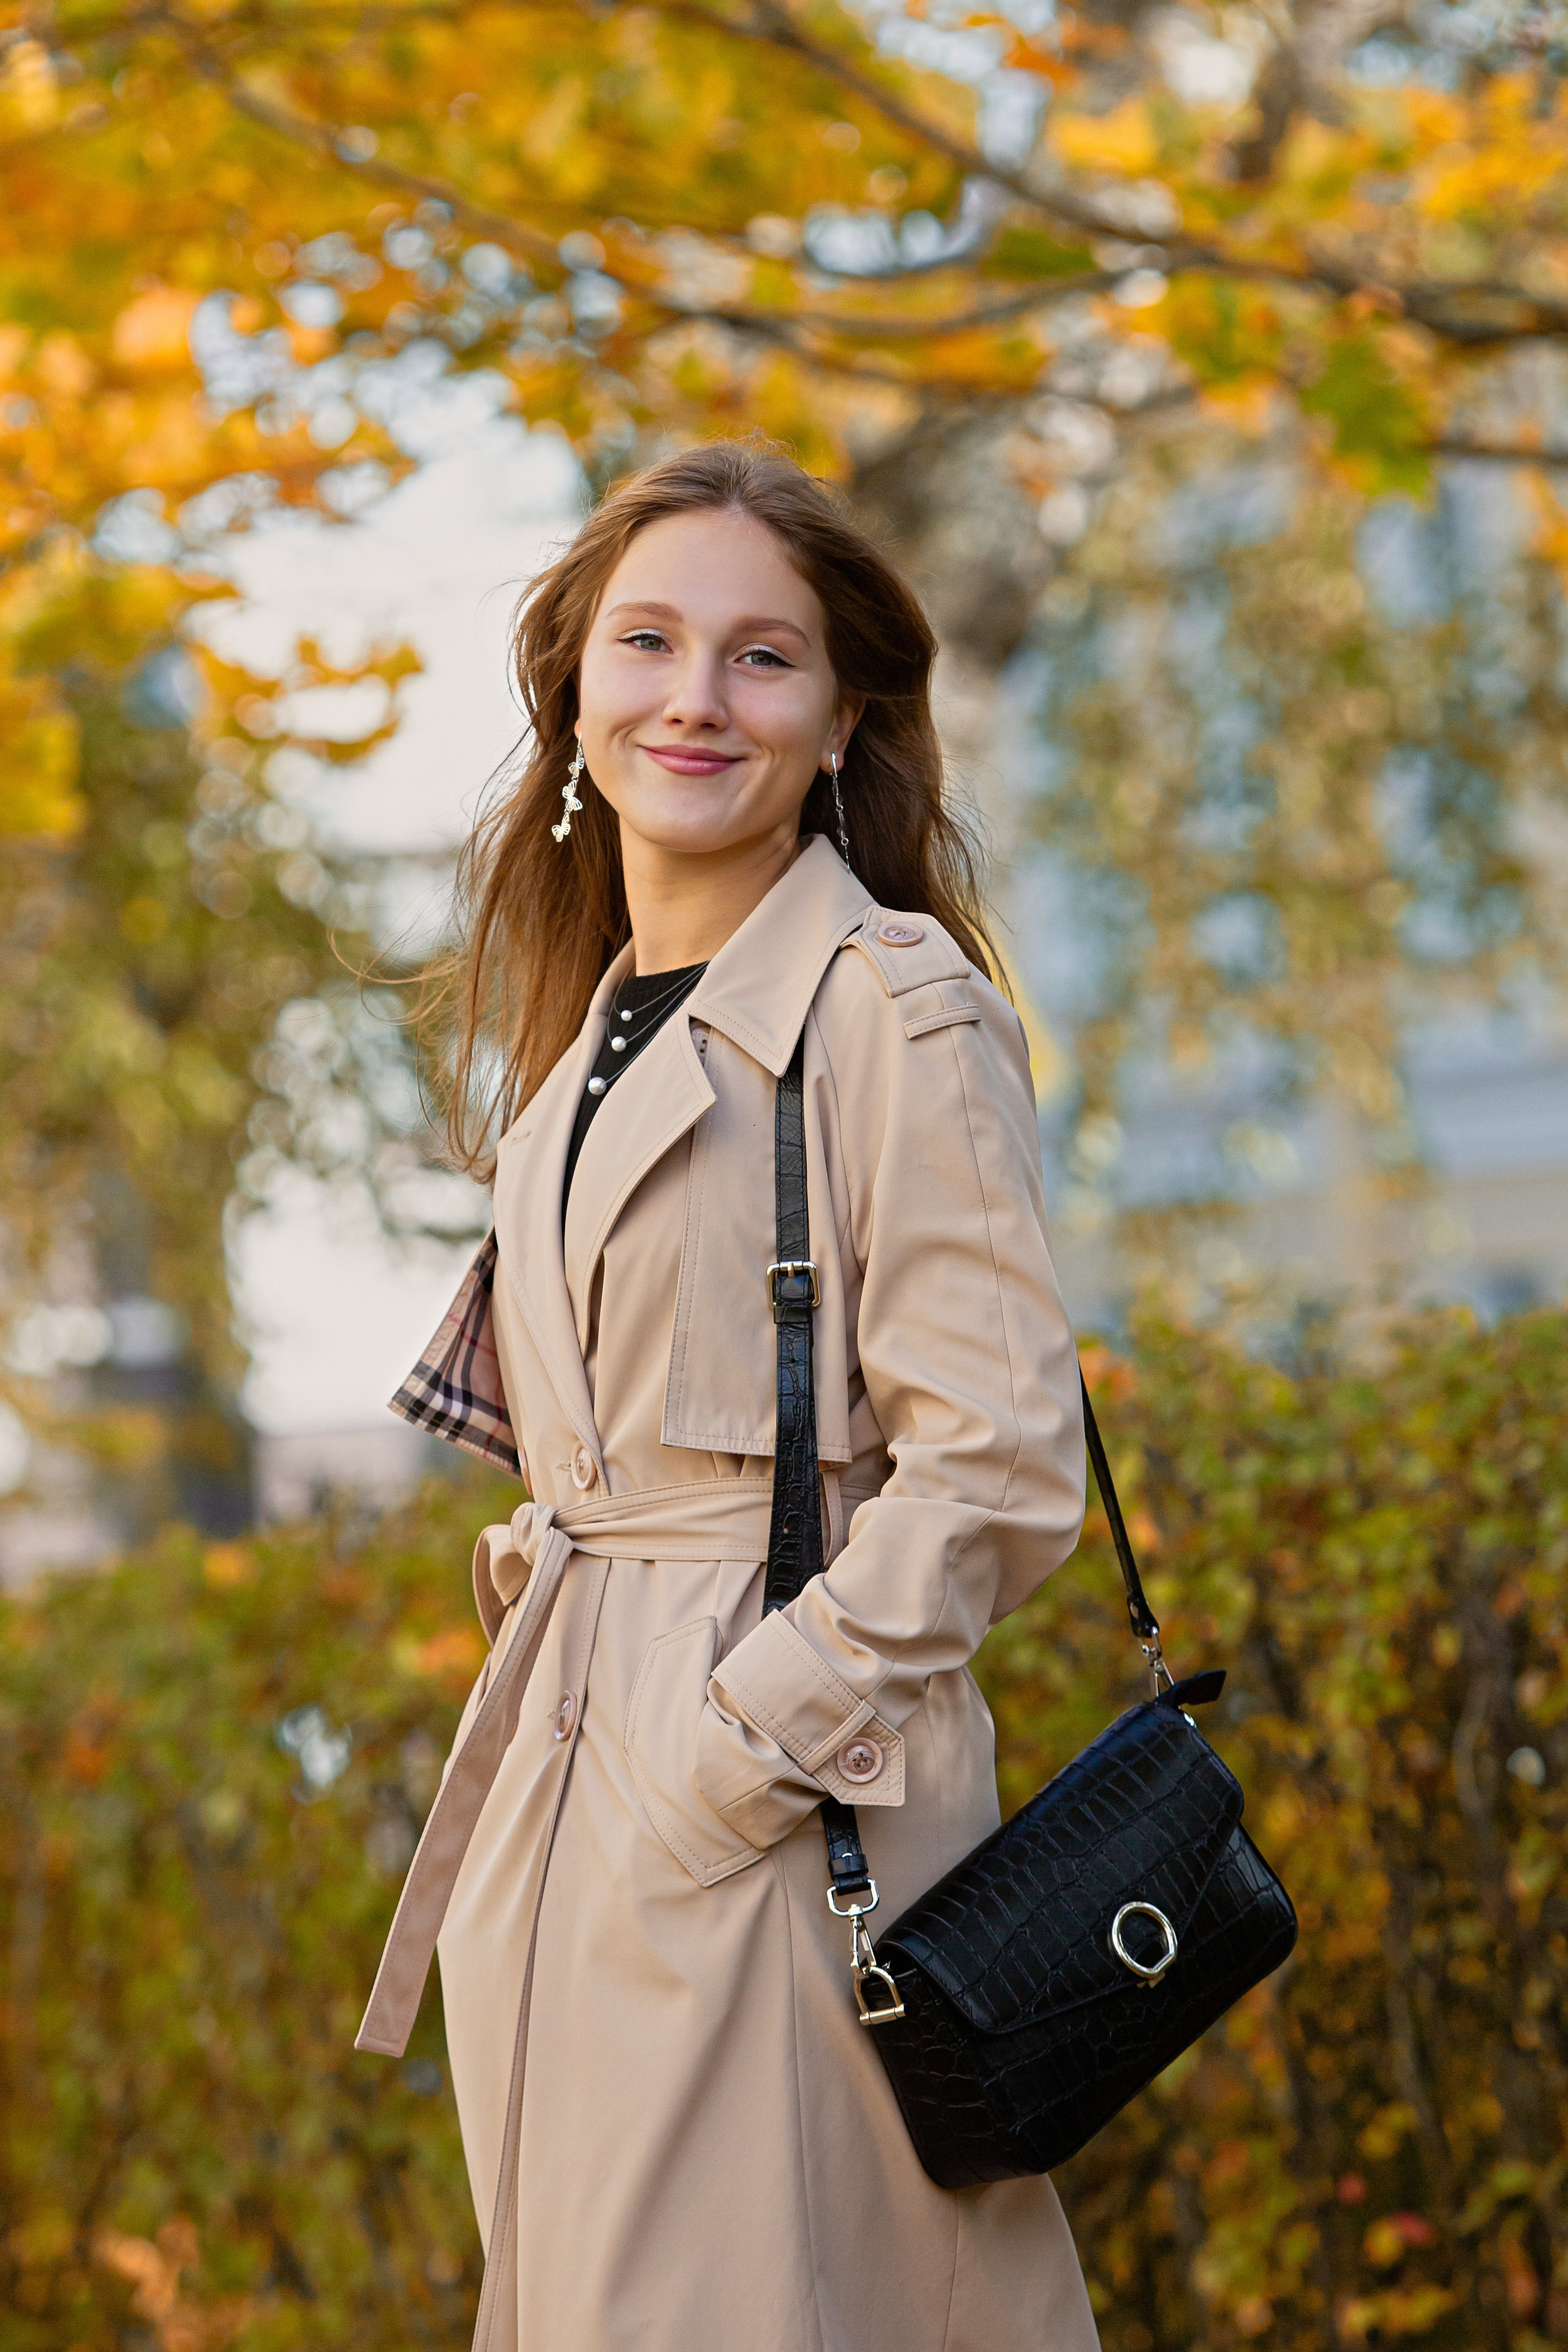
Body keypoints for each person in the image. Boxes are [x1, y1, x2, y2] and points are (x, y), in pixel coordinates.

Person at [358, 440, 1100, 2352]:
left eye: (763, 657)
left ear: (842, 718)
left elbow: (1002, 1471)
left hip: (775, 1821)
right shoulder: (587, 1032)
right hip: (571, 1808)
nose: (696, 696)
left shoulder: (890, 1005)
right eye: (650, 641)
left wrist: (735, 1751)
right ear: (576, 690)